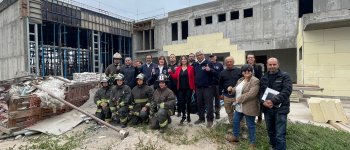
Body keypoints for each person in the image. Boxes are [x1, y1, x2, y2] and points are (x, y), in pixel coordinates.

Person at [260, 57, 292, 150]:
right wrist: (263, 102)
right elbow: (261, 92)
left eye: (274, 64)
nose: (272, 66)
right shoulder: (264, 77)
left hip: (280, 109)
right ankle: (273, 146)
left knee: (280, 134)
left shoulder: (285, 76)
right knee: (270, 131)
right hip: (267, 109)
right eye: (270, 64)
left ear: (278, 65)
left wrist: (273, 101)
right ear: (267, 65)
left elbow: (287, 91)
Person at [225, 64, 260, 149]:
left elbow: (252, 94)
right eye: (244, 71)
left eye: (249, 70)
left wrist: (239, 99)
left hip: (249, 106)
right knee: (236, 121)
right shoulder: (240, 80)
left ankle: (252, 143)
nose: (247, 72)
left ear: (251, 71)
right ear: (242, 72)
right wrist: (231, 90)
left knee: (250, 125)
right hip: (238, 107)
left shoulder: (255, 81)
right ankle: (235, 137)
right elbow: (236, 90)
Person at [193, 50, 216, 128]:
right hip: (198, 88)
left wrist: (210, 70)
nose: (199, 56)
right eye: (197, 55)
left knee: (209, 105)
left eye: (200, 54)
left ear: (204, 55)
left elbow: (215, 73)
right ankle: (201, 118)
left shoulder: (209, 63)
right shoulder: (195, 64)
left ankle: (210, 120)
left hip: (207, 88)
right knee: (199, 104)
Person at [169, 55, 195, 123]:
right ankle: (183, 116)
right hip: (180, 88)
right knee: (182, 102)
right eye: (182, 59)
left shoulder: (191, 68)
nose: (183, 60)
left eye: (185, 59)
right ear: (181, 61)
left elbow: (193, 78)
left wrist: (194, 88)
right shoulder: (178, 68)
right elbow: (175, 77)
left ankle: (188, 116)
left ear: (187, 60)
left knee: (188, 103)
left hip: (189, 88)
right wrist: (170, 72)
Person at [218, 56, 242, 124]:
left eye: (230, 61)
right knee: (229, 112)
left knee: (239, 111)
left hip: (237, 96)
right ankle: (232, 124)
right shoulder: (222, 72)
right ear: (225, 63)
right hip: (227, 96)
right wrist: (220, 94)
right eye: (227, 62)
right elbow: (220, 84)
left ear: (233, 62)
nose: (229, 63)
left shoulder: (239, 71)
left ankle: (242, 125)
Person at [247, 53, 264, 123]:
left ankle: (259, 119)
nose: (250, 59)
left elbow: (260, 78)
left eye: (252, 57)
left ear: (254, 59)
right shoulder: (245, 67)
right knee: (250, 103)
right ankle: (251, 118)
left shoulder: (258, 67)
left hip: (257, 87)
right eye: (249, 57)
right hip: (247, 88)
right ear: (247, 59)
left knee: (258, 103)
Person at [209, 54, 224, 119]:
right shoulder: (208, 64)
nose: (211, 58)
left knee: (217, 100)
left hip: (218, 85)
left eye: (213, 57)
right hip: (210, 85)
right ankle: (210, 113)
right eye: (210, 57)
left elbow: (222, 74)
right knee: (210, 100)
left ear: (216, 57)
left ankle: (217, 113)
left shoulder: (219, 65)